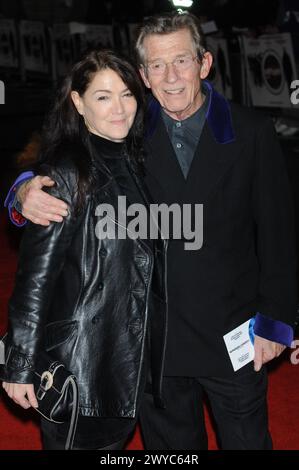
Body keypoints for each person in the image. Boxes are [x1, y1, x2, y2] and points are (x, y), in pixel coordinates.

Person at [4, 12, 298, 450]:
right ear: (144, 75)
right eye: (157, 66)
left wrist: (279, 322)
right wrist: (20, 191)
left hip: (234, 336)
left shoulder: (251, 133)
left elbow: (280, 234)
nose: (171, 77)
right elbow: (68, 157)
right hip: (153, 345)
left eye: (181, 61)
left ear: (205, 63)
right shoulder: (133, 133)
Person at [0, 48, 167, 450]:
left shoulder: (134, 158)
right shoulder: (66, 172)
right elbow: (35, 279)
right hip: (83, 364)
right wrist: (19, 365)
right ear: (78, 102)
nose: (119, 109)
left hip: (124, 355)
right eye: (103, 97)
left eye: (126, 94)